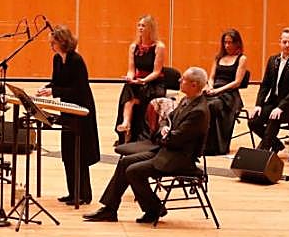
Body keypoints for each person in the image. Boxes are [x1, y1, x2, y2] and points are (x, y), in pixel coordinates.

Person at [84, 66, 210, 224]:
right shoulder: (187, 100)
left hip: (178, 158)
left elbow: (177, 139)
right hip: (166, 150)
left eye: (183, 79)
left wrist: (165, 134)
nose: (179, 80)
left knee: (133, 171)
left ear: (194, 85)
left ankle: (154, 209)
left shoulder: (199, 111)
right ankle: (110, 209)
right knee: (125, 162)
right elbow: (167, 118)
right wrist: (164, 129)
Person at [35, 24, 99, 204]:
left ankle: (84, 195)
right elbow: (56, 82)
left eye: (53, 43)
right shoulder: (57, 59)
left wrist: (54, 91)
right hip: (67, 108)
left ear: (62, 42)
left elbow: (78, 89)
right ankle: (72, 193)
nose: (51, 46)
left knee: (80, 153)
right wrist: (46, 88)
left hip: (81, 109)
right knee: (68, 152)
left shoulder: (77, 61)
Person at [249, 26, 289, 154]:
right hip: (274, 102)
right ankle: (276, 145)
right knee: (253, 121)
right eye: (284, 42)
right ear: (280, 42)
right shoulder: (272, 60)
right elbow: (265, 85)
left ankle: (262, 152)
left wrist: (281, 107)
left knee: (274, 118)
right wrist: (258, 104)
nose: (287, 45)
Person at [115, 14, 167, 142]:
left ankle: (128, 125)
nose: (140, 28)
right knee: (129, 87)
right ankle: (126, 123)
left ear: (151, 28)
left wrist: (144, 81)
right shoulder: (133, 47)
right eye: (139, 25)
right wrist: (129, 77)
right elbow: (132, 69)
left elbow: (156, 71)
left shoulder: (159, 47)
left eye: (143, 25)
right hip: (138, 81)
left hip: (154, 83)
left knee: (132, 97)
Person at [204, 29, 250, 155]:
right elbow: (212, 77)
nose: (227, 45)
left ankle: (215, 146)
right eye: (225, 42)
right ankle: (201, 143)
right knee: (200, 103)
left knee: (212, 106)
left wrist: (218, 90)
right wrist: (210, 87)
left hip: (229, 94)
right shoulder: (218, 57)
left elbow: (237, 82)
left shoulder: (242, 59)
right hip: (215, 90)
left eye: (230, 43)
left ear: (237, 43)